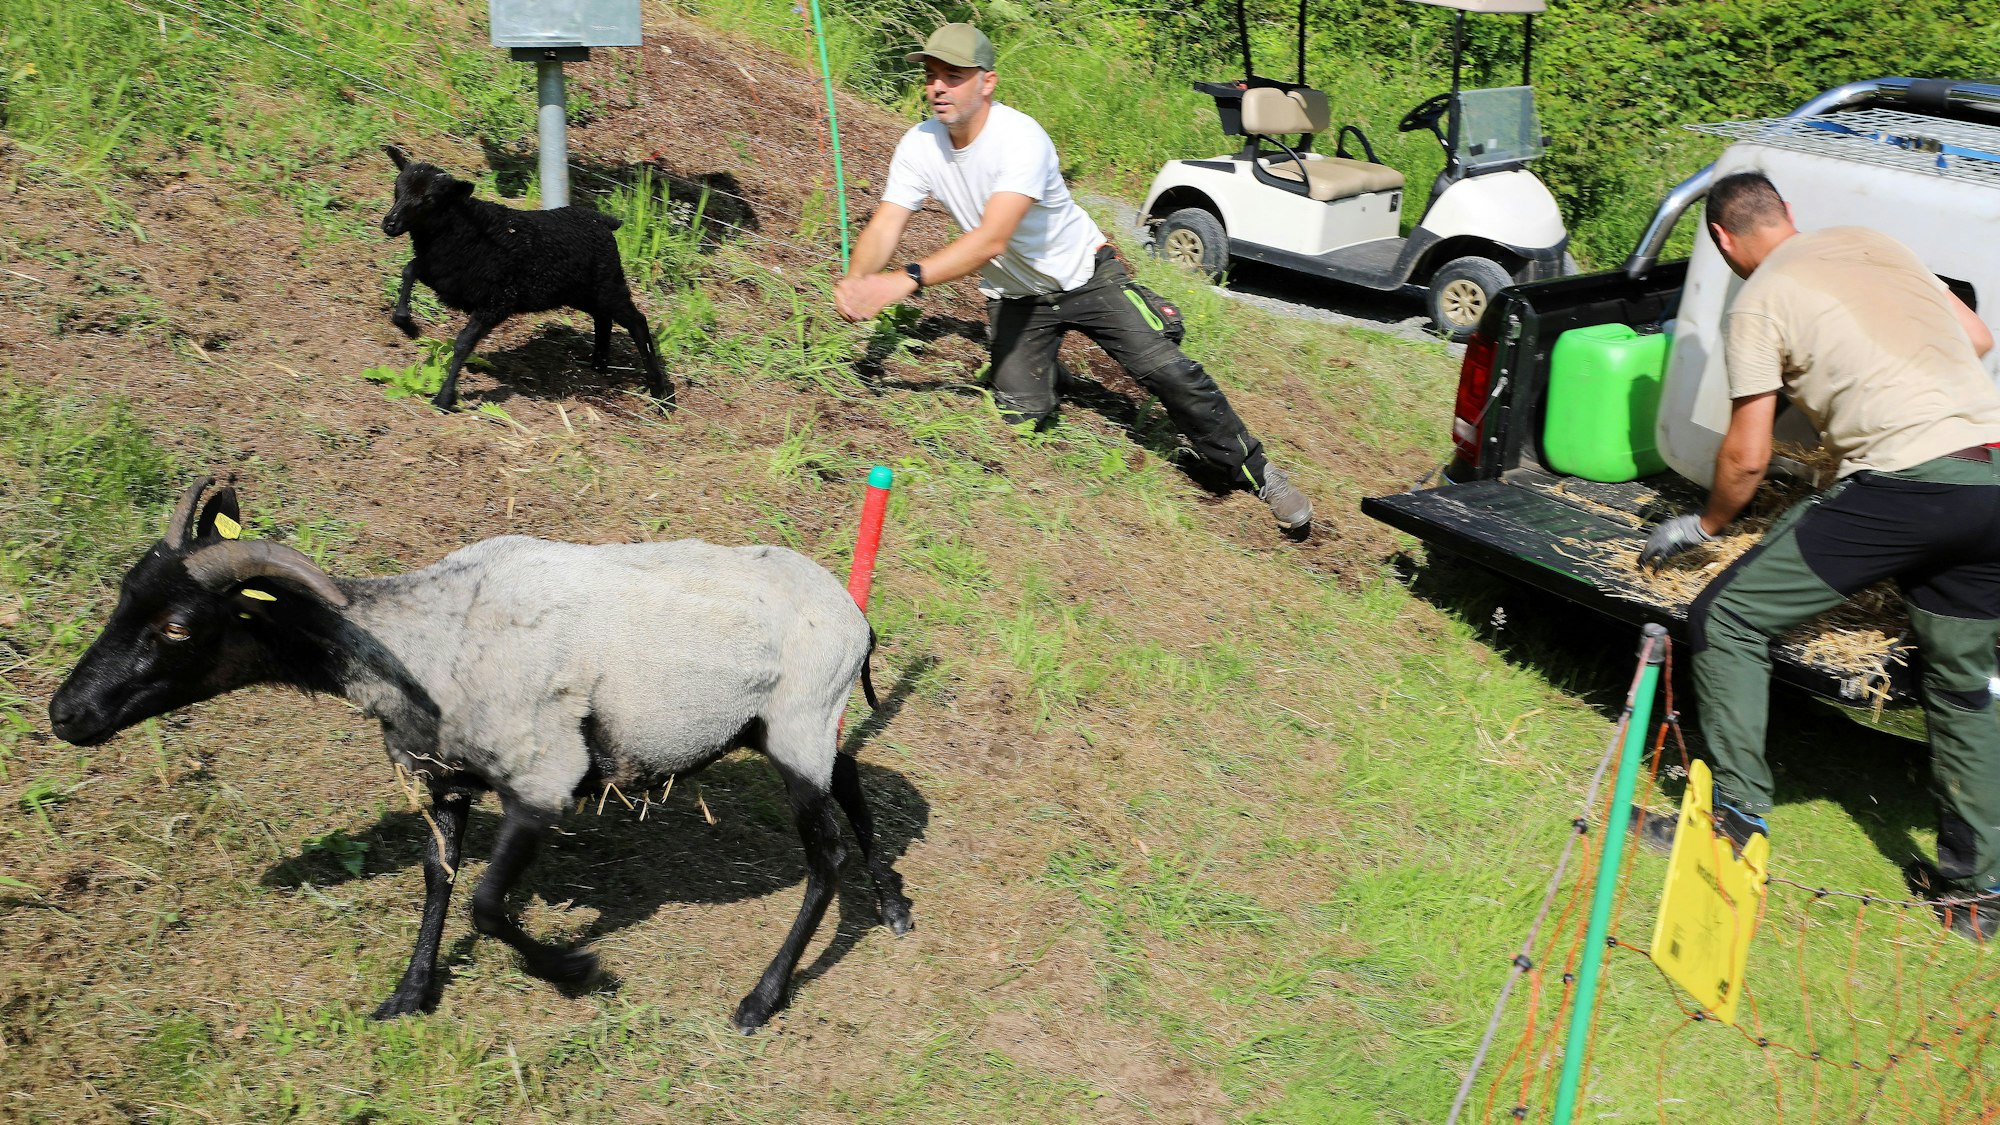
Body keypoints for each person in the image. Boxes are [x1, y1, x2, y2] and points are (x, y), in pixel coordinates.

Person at [1640, 171, 2000, 941]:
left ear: (1722, 240)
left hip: (1911, 483)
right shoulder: (1874, 244)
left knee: (1728, 616)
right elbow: (1977, 338)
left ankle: (1734, 826)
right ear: (1789, 216)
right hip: (1992, 477)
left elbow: (1746, 455)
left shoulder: (1761, 296)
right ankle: (1974, 898)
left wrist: (1704, 527)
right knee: (1961, 680)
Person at [831, 23, 1313, 533]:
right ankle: (1046, 364)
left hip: (1085, 274)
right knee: (1020, 416)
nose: (938, 88)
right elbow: (888, 221)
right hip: (1015, 295)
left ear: (987, 82)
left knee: (1169, 371)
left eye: (953, 76)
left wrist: (903, 280)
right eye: (932, 76)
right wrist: (859, 280)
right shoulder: (920, 144)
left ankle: (1257, 472)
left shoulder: (1020, 139)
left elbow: (992, 238)